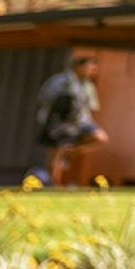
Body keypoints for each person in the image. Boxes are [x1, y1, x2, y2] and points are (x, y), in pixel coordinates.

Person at [33, 54, 107, 187]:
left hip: (80, 122)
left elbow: (91, 107)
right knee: (56, 154)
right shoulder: (59, 81)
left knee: (100, 137)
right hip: (60, 123)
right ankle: (54, 184)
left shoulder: (87, 85)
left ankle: (71, 150)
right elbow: (44, 100)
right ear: (77, 67)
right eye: (89, 67)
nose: (92, 71)